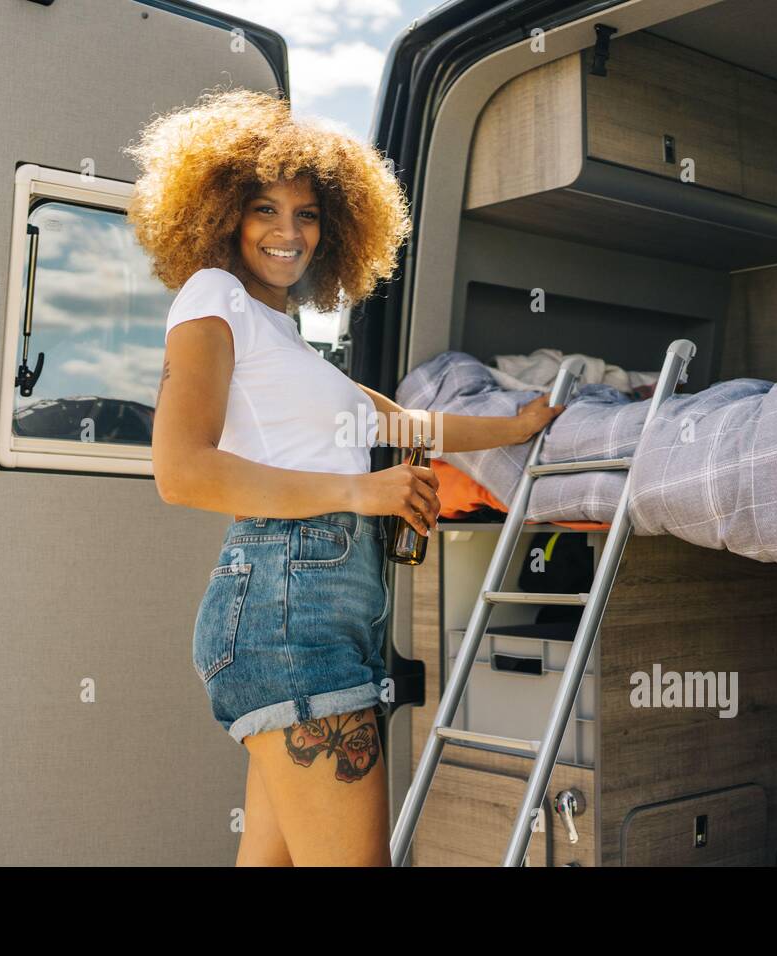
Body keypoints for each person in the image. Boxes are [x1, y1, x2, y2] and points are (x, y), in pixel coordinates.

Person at [126, 86, 564, 866]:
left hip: (325, 607)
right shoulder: (212, 296)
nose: (288, 233)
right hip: (285, 604)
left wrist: (520, 425)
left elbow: (406, 425)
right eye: (264, 209)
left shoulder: (287, 339)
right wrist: (364, 492)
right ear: (222, 214)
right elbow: (182, 470)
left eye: (307, 214)